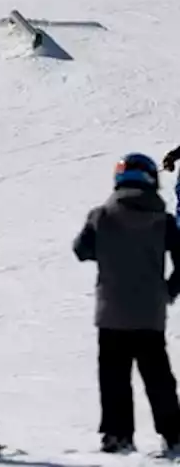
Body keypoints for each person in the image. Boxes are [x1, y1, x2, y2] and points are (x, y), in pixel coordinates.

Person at [73, 153, 180, 455]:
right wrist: (168, 291)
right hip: (150, 313)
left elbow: (81, 250)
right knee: (158, 377)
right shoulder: (164, 221)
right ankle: (174, 434)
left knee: (114, 377)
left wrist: (110, 252)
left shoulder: (101, 216)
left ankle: (117, 435)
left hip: (111, 312)